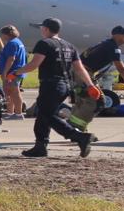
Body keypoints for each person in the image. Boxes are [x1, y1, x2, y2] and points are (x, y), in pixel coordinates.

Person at [12, 17, 94, 158]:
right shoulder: (70, 46)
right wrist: (90, 85)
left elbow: (34, 64)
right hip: (66, 85)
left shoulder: (44, 44)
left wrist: (15, 73)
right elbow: (79, 69)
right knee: (43, 115)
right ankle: (40, 146)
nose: (41, 31)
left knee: (48, 115)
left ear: (46, 29)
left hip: (51, 85)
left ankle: (79, 137)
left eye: (42, 28)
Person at [68, 25, 124, 133]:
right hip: (82, 73)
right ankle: (76, 129)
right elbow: (121, 68)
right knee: (97, 101)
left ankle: (74, 129)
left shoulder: (105, 44)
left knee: (82, 101)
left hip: (78, 73)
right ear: (117, 36)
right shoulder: (113, 48)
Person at [0, 25, 26, 117]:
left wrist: (5, 72)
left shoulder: (12, 44)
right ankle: (10, 112)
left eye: (3, 34)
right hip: (15, 71)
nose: (1, 37)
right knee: (9, 91)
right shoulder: (18, 42)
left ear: (7, 34)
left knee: (14, 92)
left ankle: (18, 113)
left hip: (12, 72)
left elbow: (11, 59)